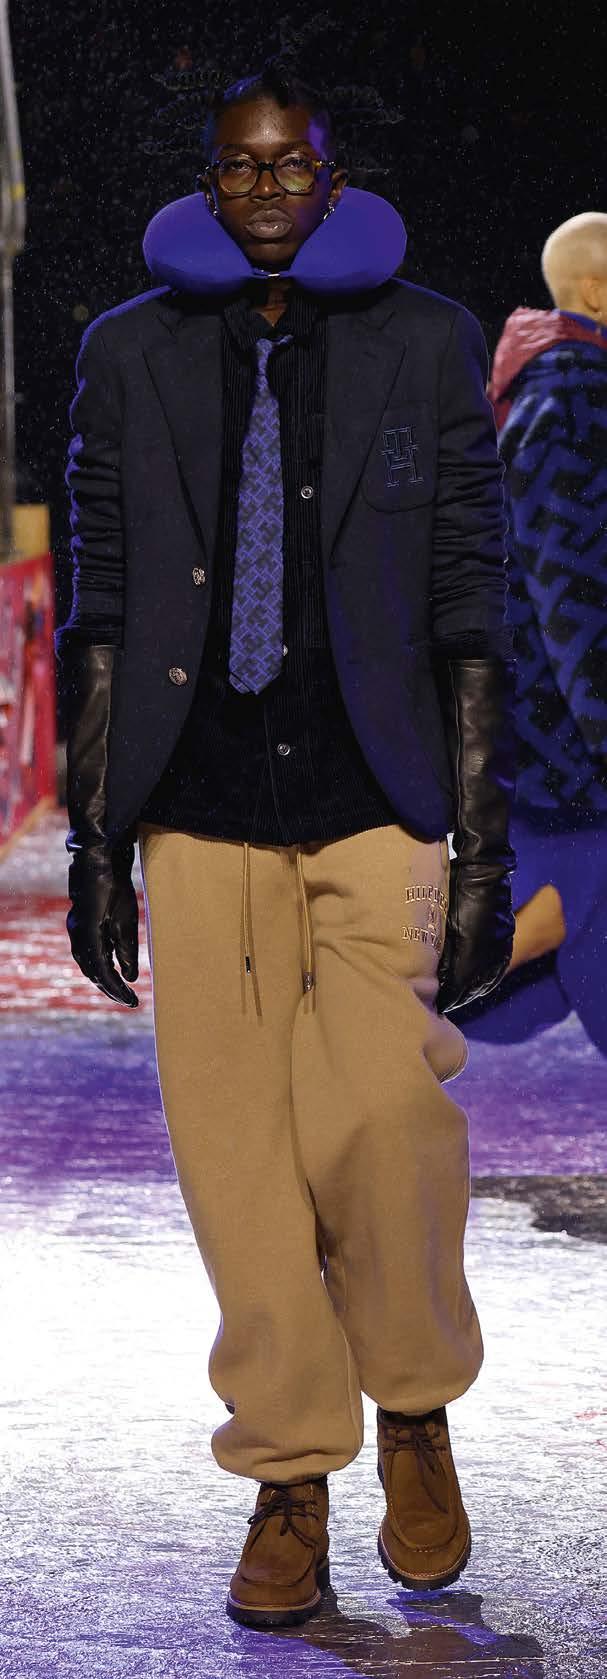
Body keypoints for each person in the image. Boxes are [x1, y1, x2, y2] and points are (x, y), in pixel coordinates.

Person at [56, 62, 516, 1629]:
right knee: (235, 1153)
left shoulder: (423, 339)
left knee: (384, 1118)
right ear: (208, 182)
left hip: (373, 789)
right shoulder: (129, 350)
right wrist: (97, 836)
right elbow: (99, 601)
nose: (263, 189)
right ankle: (288, 1469)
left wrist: (476, 838)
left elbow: (468, 593)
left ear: (332, 175)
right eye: (239, 168)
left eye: (289, 164)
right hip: (195, 806)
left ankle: (413, 1405)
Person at [460, 211, 607, 1052]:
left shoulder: (556, 390)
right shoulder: (573, 399)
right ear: (593, 292)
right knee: (568, 909)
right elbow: (573, 599)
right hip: (571, 756)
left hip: (553, 751)